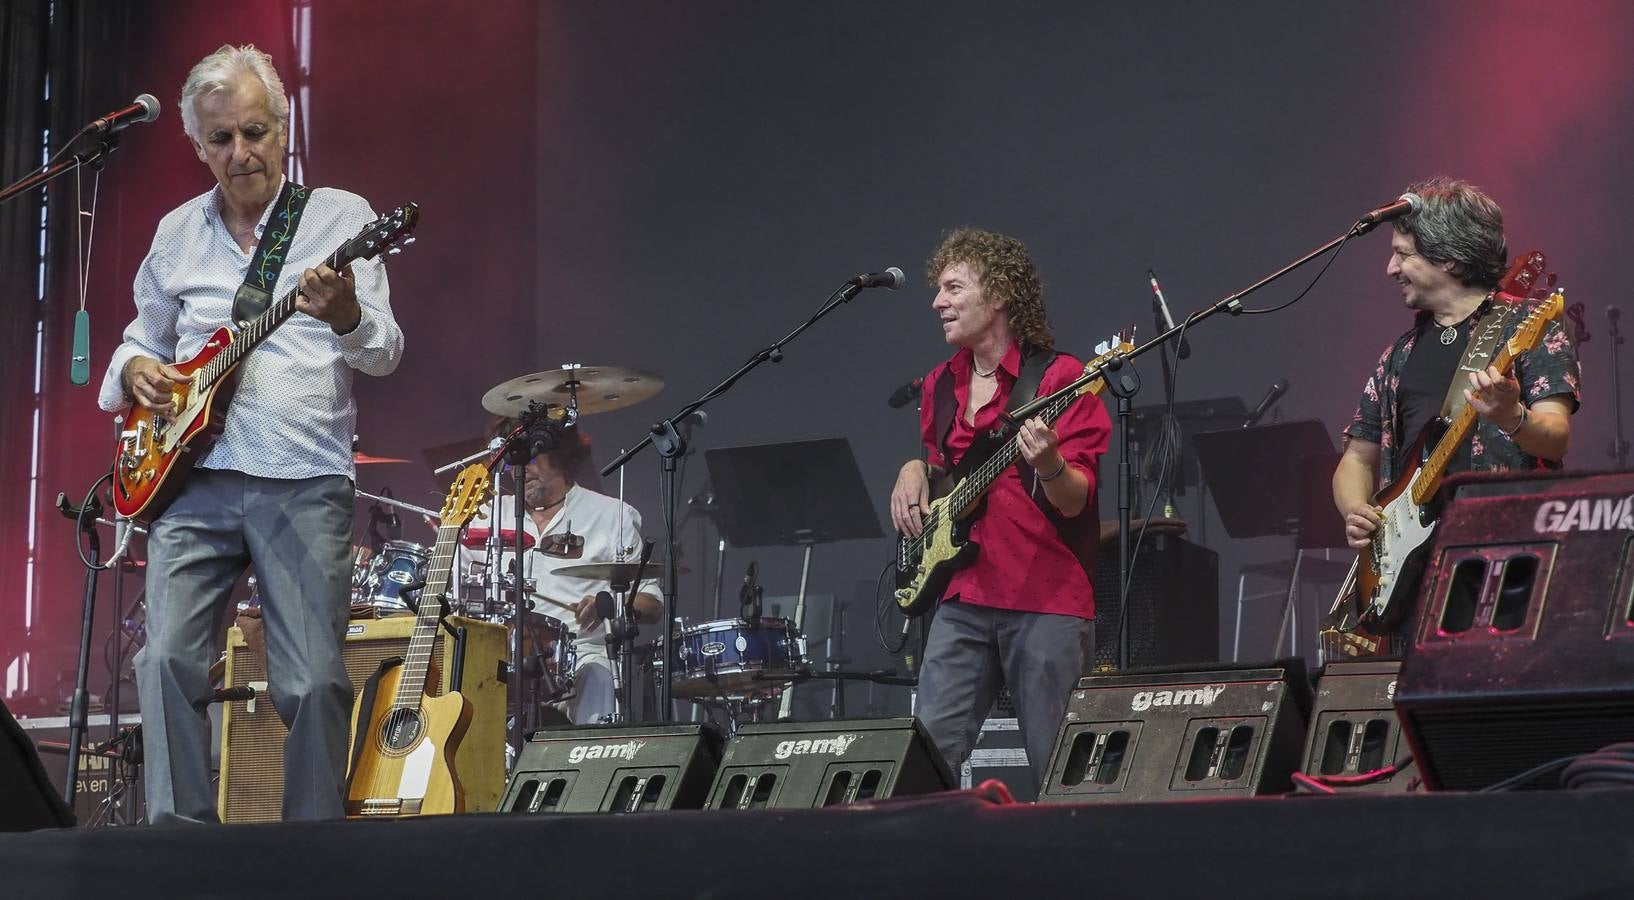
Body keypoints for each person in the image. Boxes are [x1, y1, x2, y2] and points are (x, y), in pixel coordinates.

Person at [96, 45, 404, 822]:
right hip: (192, 479)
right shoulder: (176, 234)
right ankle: (181, 848)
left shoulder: (340, 217)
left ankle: (309, 854)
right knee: (163, 661)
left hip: (301, 478)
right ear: (197, 145)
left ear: (283, 126)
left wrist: (344, 314)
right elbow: (143, 337)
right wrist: (135, 370)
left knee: (313, 682)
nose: (243, 153)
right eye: (223, 139)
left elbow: (385, 351)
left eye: (256, 132)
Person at [889, 227, 1109, 790]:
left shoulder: (1063, 379)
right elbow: (944, 469)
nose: (938, 301)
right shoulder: (941, 384)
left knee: (1058, 771)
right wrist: (915, 469)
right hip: (964, 594)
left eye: (953, 287)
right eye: (938, 289)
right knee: (924, 762)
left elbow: (1077, 497)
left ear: (1000, 294)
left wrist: (1050, 465)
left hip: (1046, 598)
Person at [1332, 176, 1579, 640]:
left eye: (1403, 254)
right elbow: (1356, 459)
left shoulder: (1529, 328)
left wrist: (1512, 416)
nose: (1390, 268)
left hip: (1506, 567)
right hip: (1413, 573)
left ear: (1448, 256)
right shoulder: (1397, 356)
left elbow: (1556, 434)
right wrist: (1355, 510)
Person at [457, 425, 663, 726]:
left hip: (581, 652)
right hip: (500, 653)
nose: (519, 470)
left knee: (598, 676)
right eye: (513, 461)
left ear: (561, 457)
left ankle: (590, 766)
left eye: (530, 459)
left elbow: (652, 604)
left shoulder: (610, 515)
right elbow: (451, 588)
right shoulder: (486, 515)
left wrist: (607, 605)